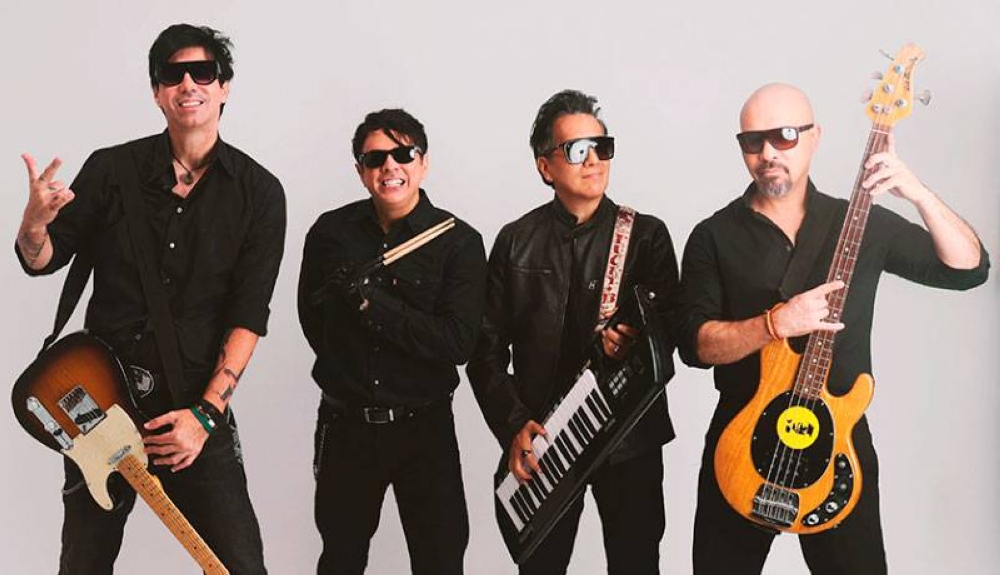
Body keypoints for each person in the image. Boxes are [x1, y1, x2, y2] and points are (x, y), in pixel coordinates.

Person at [674, 83, 989, 574]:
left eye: (783, 136)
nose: (767, 153)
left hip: (839, 443)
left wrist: (917, 193)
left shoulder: (860, 224)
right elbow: (696, 346)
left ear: (814, 136)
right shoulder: (713, 236)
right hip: (740, 443)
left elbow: (968, 269)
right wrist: (776, 323)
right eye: (753, 141)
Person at [14, 23, 284, 574]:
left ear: (224, 87)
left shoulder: (258, 193)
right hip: (99, 404)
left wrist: (204, 417)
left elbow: (248, 316)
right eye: (172, 74)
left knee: (240, 567)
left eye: (202, 72)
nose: (188, 84)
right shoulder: (111, 169)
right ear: (157, 91)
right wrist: (33, 225)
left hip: (193, 409)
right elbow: (43, 258)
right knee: (83, 566)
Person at [467, 89, 678, 575]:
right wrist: (514, 424)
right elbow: (484, 350)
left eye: (602, 147)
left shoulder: (645, 235)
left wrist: (634, 344)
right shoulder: (515, 241)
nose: (594, 160)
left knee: (636, 564)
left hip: (630, 439)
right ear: (546, 167)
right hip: (546, 439)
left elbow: (672, 335)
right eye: (577, 149)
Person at [297, 108, 487, 575]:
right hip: (347, 425)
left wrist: (373, 306)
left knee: (441, 561)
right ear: (360, 170)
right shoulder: (329, 233)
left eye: (403, 154)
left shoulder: (459, 241)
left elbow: (457, 342)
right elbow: (313, 321)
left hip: (425, 427)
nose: (390, 167)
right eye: (375, 158)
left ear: (423, 162)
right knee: (340, 558)